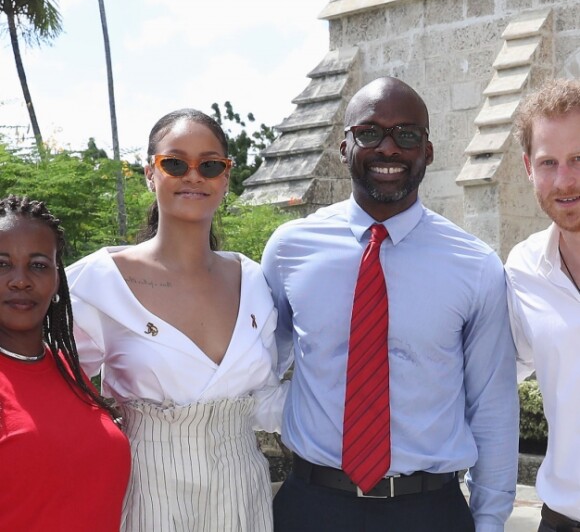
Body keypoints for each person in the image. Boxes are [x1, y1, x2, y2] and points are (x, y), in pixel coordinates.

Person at [261, 76, 519, 532]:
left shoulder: (475, 265)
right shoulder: (289, 249)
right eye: (369, 132)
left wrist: (491, 521)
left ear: (428, 150)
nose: (389, 148)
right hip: (311, 506)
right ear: (344, 147)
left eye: (407, 134)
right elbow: (259, 368)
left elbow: (493, 406)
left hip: (430, 511)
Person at [66, 108, 288, 532]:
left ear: (226, 176)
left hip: (242, 496)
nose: (193, 176)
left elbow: (266, 400)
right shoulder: (97, 282)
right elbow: (51, 396)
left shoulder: (255, 280)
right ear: (150, 172)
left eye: (209, 165)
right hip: (145, 494)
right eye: (175, 163)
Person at [0, 194, 130, 532]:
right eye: (2, 264)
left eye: (39, 265)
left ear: (58, 280)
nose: (20, 280)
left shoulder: (68, 370)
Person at [505, 78, 580, 532]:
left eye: (579, 159)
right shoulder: (523, 269)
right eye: (549, 162)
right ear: (528, 167)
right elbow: (489, 380)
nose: (565, 180)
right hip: (560, 520)